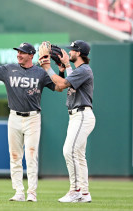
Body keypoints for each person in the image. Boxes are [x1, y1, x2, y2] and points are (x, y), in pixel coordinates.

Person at [0, 41, 61, 202]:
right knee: (15, 156)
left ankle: (32, 192)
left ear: (31, 55)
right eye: (18, 51)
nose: (19, 54)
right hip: (14, 117)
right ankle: (18, 191)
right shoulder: (9, 69)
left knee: (31, 156)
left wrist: (60, 68)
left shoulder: (40, 72)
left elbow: (59, 87)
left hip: (32, 118)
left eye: (22, 52)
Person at [39, 40, 96, 203]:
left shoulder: (84, 69)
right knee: (78, 155)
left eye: (72, 50)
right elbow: (68, 81)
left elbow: (63, 84)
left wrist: (47, 69)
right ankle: (84, 193)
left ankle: (75, 190)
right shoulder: (79, 70)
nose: (69, 52)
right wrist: (64, 67)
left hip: (82, 114)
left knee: (68, 151)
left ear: (79, 53)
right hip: (77, 115)